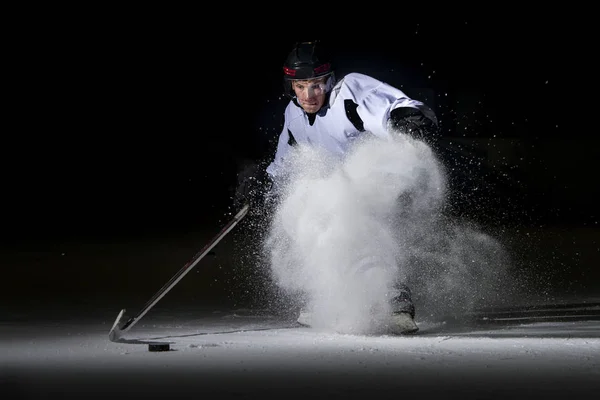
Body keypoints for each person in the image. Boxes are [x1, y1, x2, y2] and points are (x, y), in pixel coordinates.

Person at [236, 40, 439, 334]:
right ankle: (331, 298)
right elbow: (286, 163)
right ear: (290, 86)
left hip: (383, 183)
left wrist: (405, 118)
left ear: (329, 80)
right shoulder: (293, 116)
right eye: (300, 86)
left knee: (362, 225)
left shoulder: (349, 91)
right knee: (304, 217)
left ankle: (396, 301)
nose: (309, 95)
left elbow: (389, 104)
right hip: (337, 191)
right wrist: (262, 187)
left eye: (317, 85)